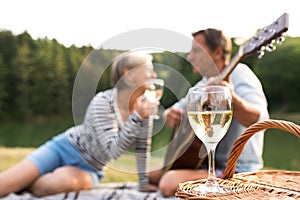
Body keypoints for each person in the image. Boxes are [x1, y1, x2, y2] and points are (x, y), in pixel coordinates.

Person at [0, 52, 159, 197]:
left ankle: (24, 184)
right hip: (63, 148)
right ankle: (20, 182)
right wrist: (137, 117)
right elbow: (113, 149)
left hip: (91, 168)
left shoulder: (144, 109)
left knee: (52, 186)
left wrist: (143, 183)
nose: (154, 74)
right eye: (148, 70)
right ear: (128, 74)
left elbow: (142, 147)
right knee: (4, 185)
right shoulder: (103, 102)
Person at [157, 28, 269, 196]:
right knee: (149, 174)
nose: (190, 57)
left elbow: (260, 120)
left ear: (217, 52)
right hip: (207, 164)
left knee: (167, 182)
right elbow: (176, 109)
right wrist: (169, 115)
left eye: (196, 51)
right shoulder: (203, 84)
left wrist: (232, 99)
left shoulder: (240, 74)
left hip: (238, 170)